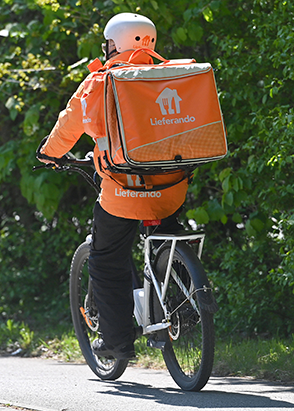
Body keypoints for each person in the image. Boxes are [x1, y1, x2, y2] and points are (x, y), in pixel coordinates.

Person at [37, 13, 190, 360]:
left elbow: (68, 125)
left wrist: (49, 153)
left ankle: (118, 342)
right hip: (171, 186)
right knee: (168, 229)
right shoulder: (173, 75)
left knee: (106, 261)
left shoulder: (100, 81)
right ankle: (183, 297)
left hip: (123, 191)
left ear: (114, 44)